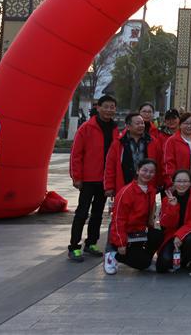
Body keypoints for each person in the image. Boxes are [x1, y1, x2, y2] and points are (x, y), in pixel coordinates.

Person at [68, 94, 119, 262]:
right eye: (106, 106)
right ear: (98, 107)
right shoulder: (86, 128)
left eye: (112, 107)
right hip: (88, 178)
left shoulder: (114, 129)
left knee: (98, 213)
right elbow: (76, 154)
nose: (109, 110)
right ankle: (74, 247)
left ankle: (91, 243)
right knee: (82, 212)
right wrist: (76, 177)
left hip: (104, 180)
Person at [103, 159, 164, 275]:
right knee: (143, 263)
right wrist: (121, 243)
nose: (147, 174)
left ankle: (143, 259)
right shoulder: (126, 192)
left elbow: (150, 215)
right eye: (144, 170)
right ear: (137, 171)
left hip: (139, 232)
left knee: (158, 235)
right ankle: (113, 254)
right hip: (125, 233)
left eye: (151, 172)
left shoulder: (151, 190)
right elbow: (117, 220)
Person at [156, 169, 191, 275]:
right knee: (162, 265)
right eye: (179, 181)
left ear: (190, 183)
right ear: (173, 182)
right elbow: (164, 223)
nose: (182, 184)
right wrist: (173, 208)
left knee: (189, 239)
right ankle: (179, 259)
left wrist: (180, 235)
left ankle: (185, 260)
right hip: (171, 235)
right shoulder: (167, 199)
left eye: (185, 181)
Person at [104, 112, 163, 196]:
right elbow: (110, 165)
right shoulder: (119, 143)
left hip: (147, 185)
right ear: (128, 126)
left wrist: (159, 183)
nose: (141, 126)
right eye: (137, 123)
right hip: (124, 184)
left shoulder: (153, 142)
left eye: (142, 123)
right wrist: (109, 186)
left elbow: (159, 163)